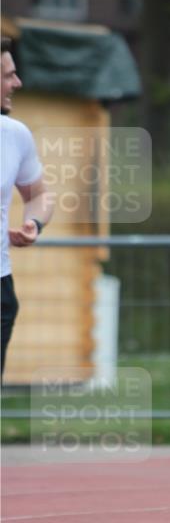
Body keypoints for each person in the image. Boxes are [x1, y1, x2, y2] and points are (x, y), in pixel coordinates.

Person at [1, 37, 52, 376]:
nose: (17, 83)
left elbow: (38, 195)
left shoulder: (15, 135)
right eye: (7, 75)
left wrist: (34, 222)